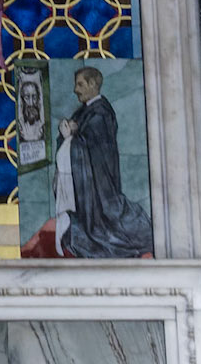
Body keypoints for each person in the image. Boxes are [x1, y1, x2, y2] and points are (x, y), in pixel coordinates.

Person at [56, 67, 152, 257]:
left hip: (100, 181)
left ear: (93, 85)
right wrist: (67, 132)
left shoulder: (100, 113)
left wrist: (72, 135)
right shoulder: (86, 110)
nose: (76, 89)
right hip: (91, 181)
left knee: (106, 218)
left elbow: (90, 143)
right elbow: (76, 135)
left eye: (80, 84)